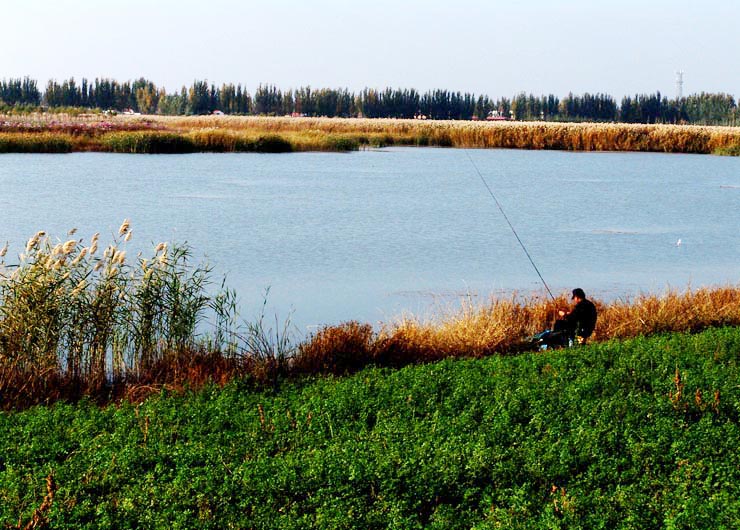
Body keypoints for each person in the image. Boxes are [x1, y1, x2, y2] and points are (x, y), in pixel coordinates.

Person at [533, 288, 598, 349]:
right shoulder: (589, 304)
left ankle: (561, 343)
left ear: (577, 297)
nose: (574, 300)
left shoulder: (581, 306)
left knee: (559, 324)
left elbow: (573, 318)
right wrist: (568, 314)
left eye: (574, 298)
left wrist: (564, 315)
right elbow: (578, 315)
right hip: (588, 327)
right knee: (562, 324)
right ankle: (566, 342)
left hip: (582, 329)